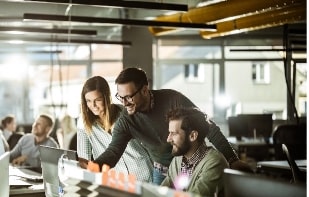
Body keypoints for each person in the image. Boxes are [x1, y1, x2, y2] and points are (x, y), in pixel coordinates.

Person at [93, 67, 250, 185]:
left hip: (191, 167)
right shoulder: (126, 121)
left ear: (145, 90)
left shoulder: (172, 99)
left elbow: (209, 127)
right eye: (120, 97)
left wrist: (232, 159)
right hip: (161, 172)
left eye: (128, 97)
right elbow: (113, 152)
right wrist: (94, 167)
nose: (124, 103)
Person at [77, 76, 153, 182]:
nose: (93, 105)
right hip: (116, 182)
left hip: (144, 175)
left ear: (106, 97)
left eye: (97, 100)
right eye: (88, 101)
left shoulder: (125, 113)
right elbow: (84, 162)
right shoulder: (84, 124)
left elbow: (149, 141)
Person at [161, 107, 228, 197]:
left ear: (192, 136)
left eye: (174, 133)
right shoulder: (177, 160)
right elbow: (161, 194)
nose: (168, 139)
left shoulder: (215, 162)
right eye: (169, 133)